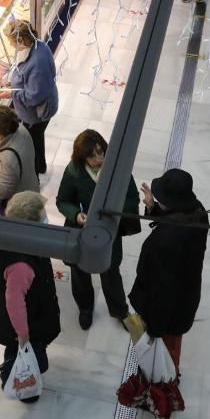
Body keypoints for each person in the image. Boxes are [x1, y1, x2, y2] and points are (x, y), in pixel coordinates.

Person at [55, 130, 140, 329]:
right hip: (80, 231)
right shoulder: (73, 171)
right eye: (91, 155)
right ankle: (85, 308)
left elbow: (132, 198)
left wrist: (115, 210)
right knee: (79, 271)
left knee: (110, 272)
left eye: (100, 152)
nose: (98, 159)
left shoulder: (119, 169)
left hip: (109, 231)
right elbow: (63, 201)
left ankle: (120, 311)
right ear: (81, 156)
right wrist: (76, 214)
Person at [127, 169, 208, 372]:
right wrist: (154, 208)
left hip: (165, 315)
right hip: (183, 304)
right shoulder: (198, 211)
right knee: (171, 351)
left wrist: (154, 328)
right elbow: (176, 219)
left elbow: (164, 291)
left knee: (162, 360)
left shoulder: (167, 243)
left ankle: (163, 391)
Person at [0, 191, 61, 403]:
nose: (46, 218)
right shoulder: (21, 264)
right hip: (27, 327)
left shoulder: (23, 242)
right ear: (30, 223)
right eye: (42, 215)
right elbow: (14, 303)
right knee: (22, 356)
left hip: (35, 317)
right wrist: (23, 335)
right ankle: (23, 387)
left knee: (27, 352)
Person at [0, 20, 59, 175]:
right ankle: (41, 166)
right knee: (37, 138)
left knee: (33, 142)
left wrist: (12, 93)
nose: (11, 45)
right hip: (44, 104)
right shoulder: (38, 45)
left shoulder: (37, 63)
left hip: (38, 112)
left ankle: (35, 171)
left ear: (21, 40)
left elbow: (34, 96)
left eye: (11, 42)